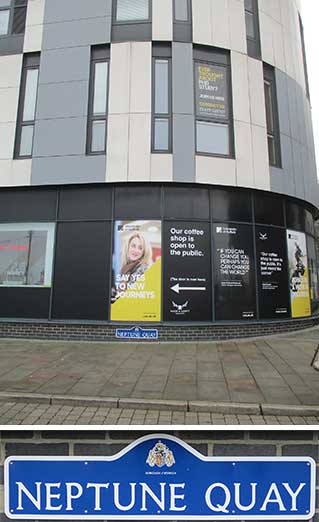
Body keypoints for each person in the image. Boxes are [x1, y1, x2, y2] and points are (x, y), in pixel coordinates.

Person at [111, 231, 152, 302]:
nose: (136, 250)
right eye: (133, 246)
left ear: (144, 252)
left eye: (140, 248)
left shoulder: (144, 270)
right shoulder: (126, 268)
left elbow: (132, 297)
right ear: (128, 247)